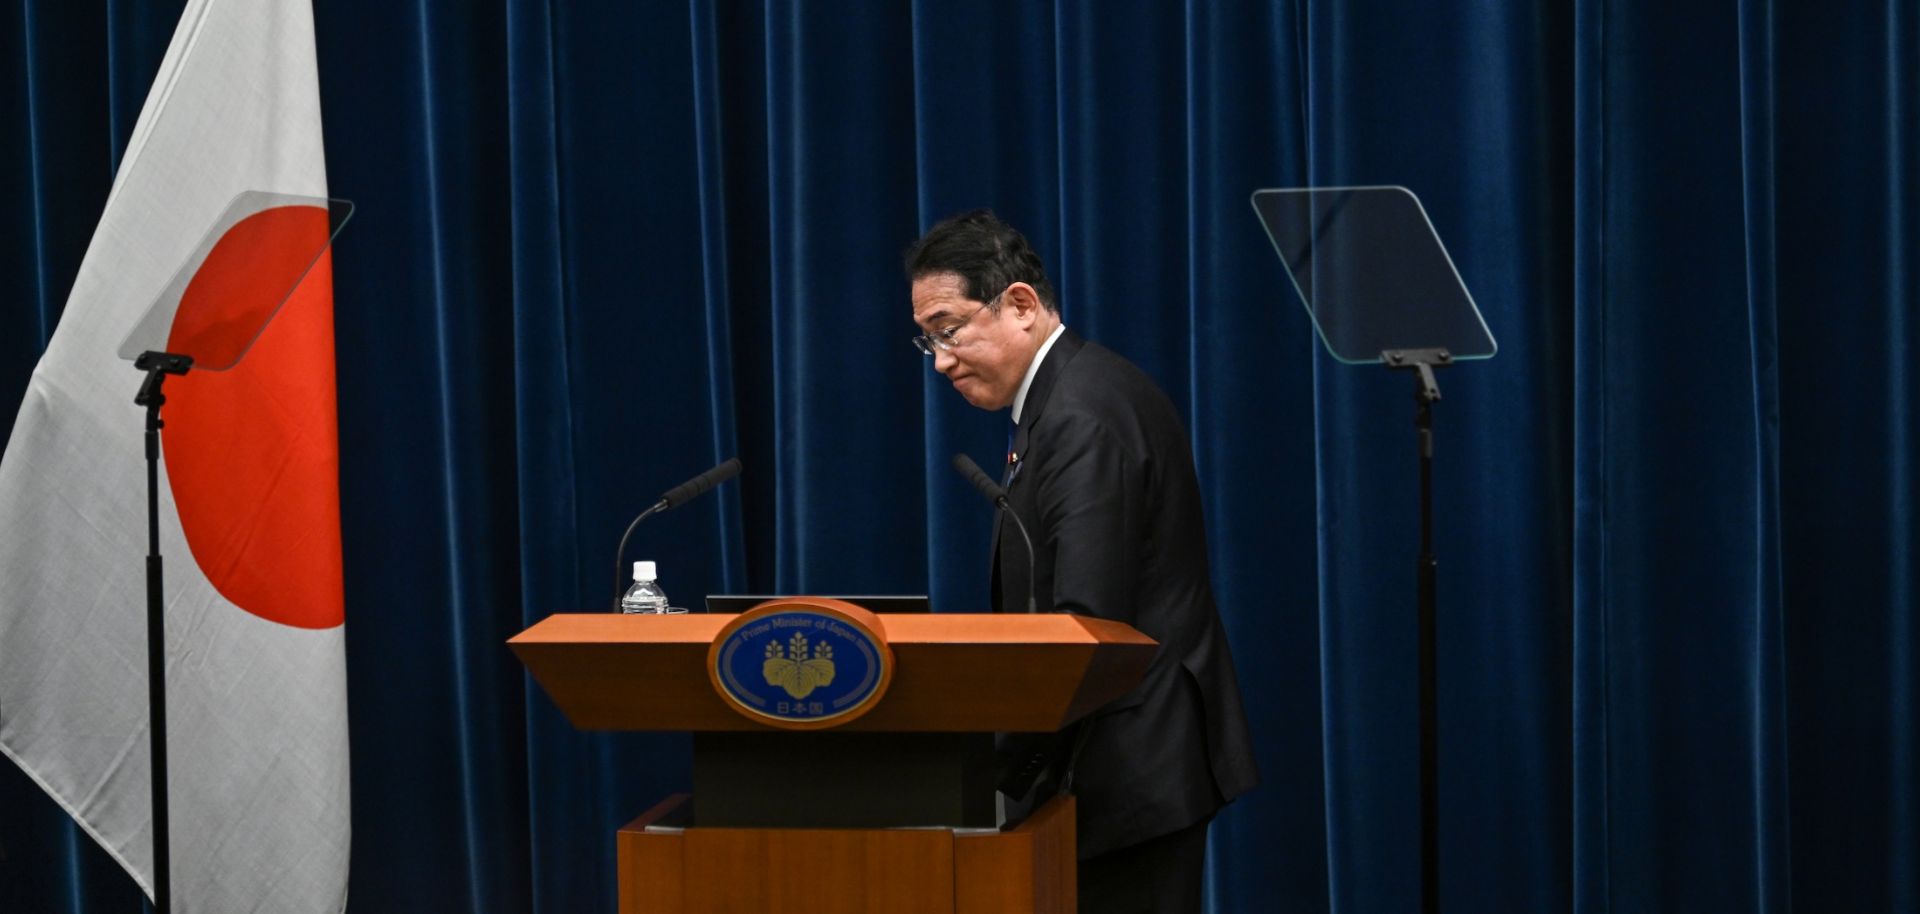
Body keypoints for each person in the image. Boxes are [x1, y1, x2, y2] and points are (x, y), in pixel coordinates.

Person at [905, 210, 1258, 913]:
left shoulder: (1080, 415)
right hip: (1129, 759)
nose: (941, 360)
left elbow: (1084, 630)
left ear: (1021, 305)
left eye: (949, 330)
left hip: (1130, 770)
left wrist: (995, 776)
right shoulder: (1070, 396)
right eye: (928, 341)